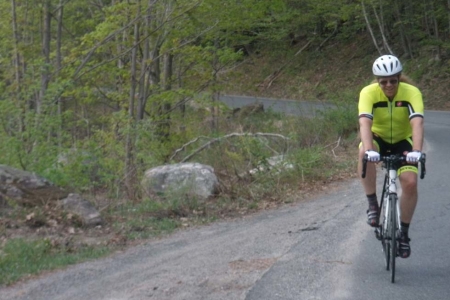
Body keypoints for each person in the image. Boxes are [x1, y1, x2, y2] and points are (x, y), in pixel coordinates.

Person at [357, 55, 424, 258]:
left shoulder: (411, 92)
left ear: (399, 78)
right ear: (377, 80)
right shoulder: (368, 93)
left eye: (393, 81)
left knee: (410, 183)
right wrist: (370, 149)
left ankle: (403, 234)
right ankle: (372, 204)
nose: (388, 85)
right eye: (383, 81)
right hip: (379, 138)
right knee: (363, 153)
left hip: (403, 141)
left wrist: (417, 152)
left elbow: (417, 123)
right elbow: (364, 123)